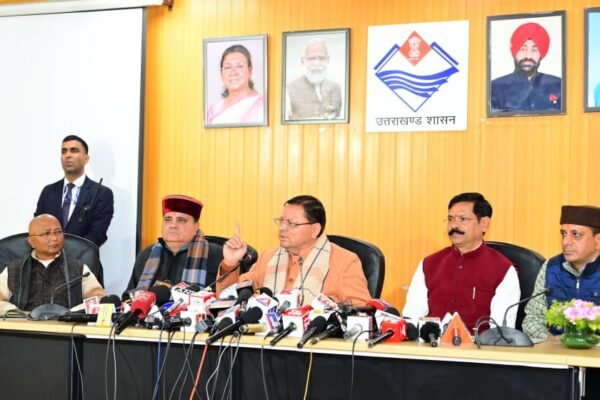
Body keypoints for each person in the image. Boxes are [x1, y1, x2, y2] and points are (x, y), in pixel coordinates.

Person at [216, 195, 371, 306]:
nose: (282, 228)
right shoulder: (268, 257)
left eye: (292, 224)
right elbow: (229, 299)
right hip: (265, 340)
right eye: (281, 221)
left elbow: (362, 314)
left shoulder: (345, 262)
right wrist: (230, 263)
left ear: (315, 229)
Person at [403, 192, 521, 332]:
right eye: (450, 219)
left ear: (484, 223)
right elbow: (411, 318)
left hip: (479, 345)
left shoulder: (503, 270)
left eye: (462, 219)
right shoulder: (428, 264)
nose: (454, 225)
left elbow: (500, 332)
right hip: (430, 344)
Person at [522, 205, 600, 343]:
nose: (565, 242)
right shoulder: (551, 267)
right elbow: (532, 318)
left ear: (598, 240)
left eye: (576, 235)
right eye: (563, 234)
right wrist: (551, 340)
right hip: (557, 351)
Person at [0, 214, 104, 314]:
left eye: (58, 232)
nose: (54, 238)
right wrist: (18, 313)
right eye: (46, 234)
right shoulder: (13, 269)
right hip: (24, 324)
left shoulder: (79, 268)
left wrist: (71, 313)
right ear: (31, 241)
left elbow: (98, 298)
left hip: (67, 324)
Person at [124, 195, 215, 297]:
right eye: (168, 219)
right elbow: (128, 297)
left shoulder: (214, 254)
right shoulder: (147, 254)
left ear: (196, 226)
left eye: (181, 220)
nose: (172, 225)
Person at [35, 135, 114, 247]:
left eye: (74, 150)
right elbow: (38, 227)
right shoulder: (48, 192)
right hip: (49, 256)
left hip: (83, 256)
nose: (68, 155)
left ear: (86, 159)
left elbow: (97, 234)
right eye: (64, 151)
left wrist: (69, 253)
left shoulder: (101, 193)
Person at [490, 22, 562, 112]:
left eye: (534, 50)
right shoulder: (495, 87)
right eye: (522, 49)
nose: (528, 56)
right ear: (514, 51)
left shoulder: (559, 85)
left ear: (541, 54)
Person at [206, 44, 264, 125]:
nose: (233, 73)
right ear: (221, 73)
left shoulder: (262, 105)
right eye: (227, 67)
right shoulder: (214, 110)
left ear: (250, 70)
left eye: (239, 66)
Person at [285, 40, 342, 120]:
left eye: (321, 58)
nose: (317, 63)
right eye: (311, 58)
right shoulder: (289, 88)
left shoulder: (336, 88)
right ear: (303, 61)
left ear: (328, 60)